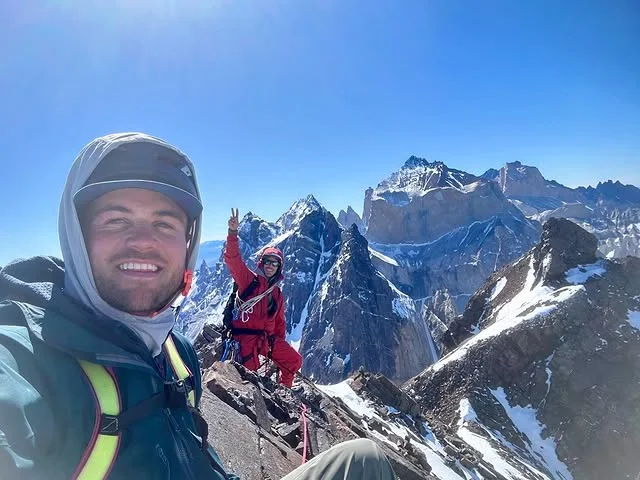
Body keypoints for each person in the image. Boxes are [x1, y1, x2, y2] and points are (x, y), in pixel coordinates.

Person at [0, 132, 397, 480]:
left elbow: (197, 453)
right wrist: (232, 235)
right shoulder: (25, 359)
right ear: (76, 234)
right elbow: (234, 263)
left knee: (363, 457)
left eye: (165, 224)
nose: (143, 241)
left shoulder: (181, 356)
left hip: (262, 345)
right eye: (116, 220)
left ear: (187, 245)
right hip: (246, 345)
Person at [223, 208, 303, 387]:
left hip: (266, 340)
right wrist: (233, 233)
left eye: (275, 263)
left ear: (279, 268)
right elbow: (232, 260)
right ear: (261, 263)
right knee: (249, 380)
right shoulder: (248, 280)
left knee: (294, 360)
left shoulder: (277, 294)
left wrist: (277, 349)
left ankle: (283, 392)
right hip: (245, 339)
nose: (270, 266)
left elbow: (280, 324)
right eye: (267, 261)